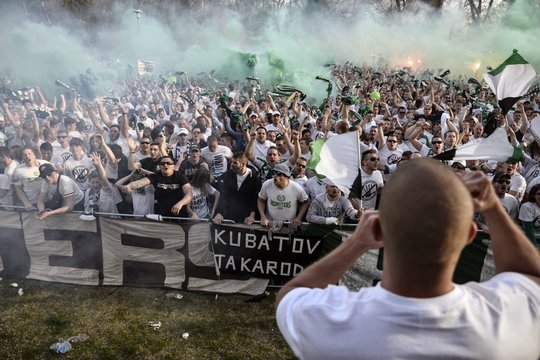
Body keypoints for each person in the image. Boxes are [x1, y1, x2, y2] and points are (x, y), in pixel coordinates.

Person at [276, 159, 540, 359]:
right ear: (469, 235)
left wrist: (356, 242)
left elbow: (291, 293)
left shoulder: (334, 320)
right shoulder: (504, 319)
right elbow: (531, 276)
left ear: (377, 230)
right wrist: (493, 206)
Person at [121, 155, 192, 218]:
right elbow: (139, 183)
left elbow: (189, 193)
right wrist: (128, 186)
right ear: (160, 166)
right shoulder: (156, 176)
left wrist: (180, 203)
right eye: (162, 163)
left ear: (173, 165)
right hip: (162, 215)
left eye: (168, 163)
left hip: (179, 214)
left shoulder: (180, 176)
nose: (165, 165)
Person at [213, 152, 261, 225]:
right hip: (230, 215)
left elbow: (256, 198)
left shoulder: (255, 177)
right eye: (232, 162)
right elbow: (223, 195)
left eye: (235, 163)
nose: (232, 165)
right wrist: (219, 213)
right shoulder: (228, 175)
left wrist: (252, 216)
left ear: (243, 164)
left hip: (247, 218)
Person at [257, 163, 309, 227]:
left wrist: (299, 217)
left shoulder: (296, 187)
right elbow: (261, 200)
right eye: (274, 173)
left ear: (286, 176)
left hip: (289, 225)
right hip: (270, 224)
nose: (275, 176)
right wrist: (263, 217)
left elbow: (306, 202)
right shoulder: (267, 184)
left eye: (279, 174)